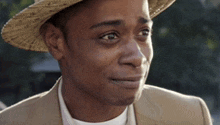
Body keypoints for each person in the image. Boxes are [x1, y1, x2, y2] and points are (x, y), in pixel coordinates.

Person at [0, 0, 213, 124]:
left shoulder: (189, 116)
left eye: (143, 33)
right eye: (110, 36)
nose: (137, 57)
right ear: (56, 43)